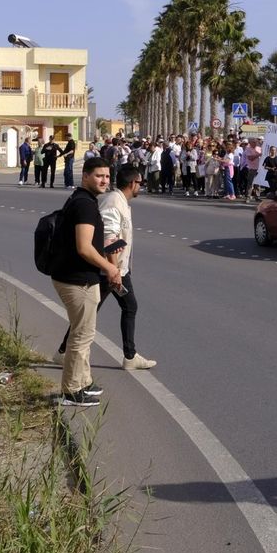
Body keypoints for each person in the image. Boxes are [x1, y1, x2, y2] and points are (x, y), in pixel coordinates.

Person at [49, 158, 121, 407]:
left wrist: (106, 246)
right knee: (81, 336)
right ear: (86, 176)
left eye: (107, 176)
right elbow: (83, 247)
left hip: (77, 277)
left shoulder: (83, 200)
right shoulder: (85, 205)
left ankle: (83, 382)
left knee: (86, 333)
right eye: (99, 176)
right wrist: (110, 267)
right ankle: (70, 391)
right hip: (77, 280)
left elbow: (86, 242)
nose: (104, 181)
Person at [94, 166, 155, 369]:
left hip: (117, 269)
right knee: (90, 313)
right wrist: (113, 271)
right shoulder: (113, 202)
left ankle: (130, 356)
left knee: (128, 307)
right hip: (109, 270)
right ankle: (64, 351)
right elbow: (109, 239)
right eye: (140, 183)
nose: (140, 187)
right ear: (132, 183)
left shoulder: (120, 201)